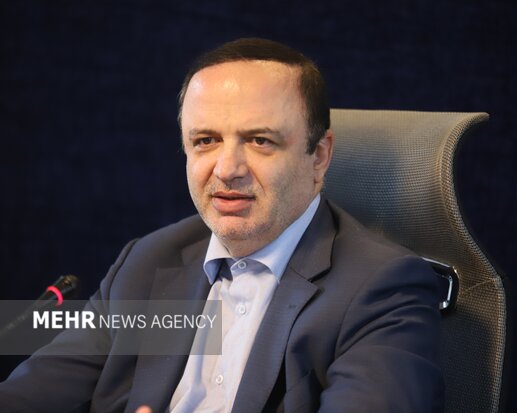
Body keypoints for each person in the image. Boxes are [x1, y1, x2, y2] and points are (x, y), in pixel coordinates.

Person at [0, 38, 444, 412]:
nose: (227, 169)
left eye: (260, 140)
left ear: (319, 156)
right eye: (206, 140)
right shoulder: (146, 261)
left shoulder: (381, 289)